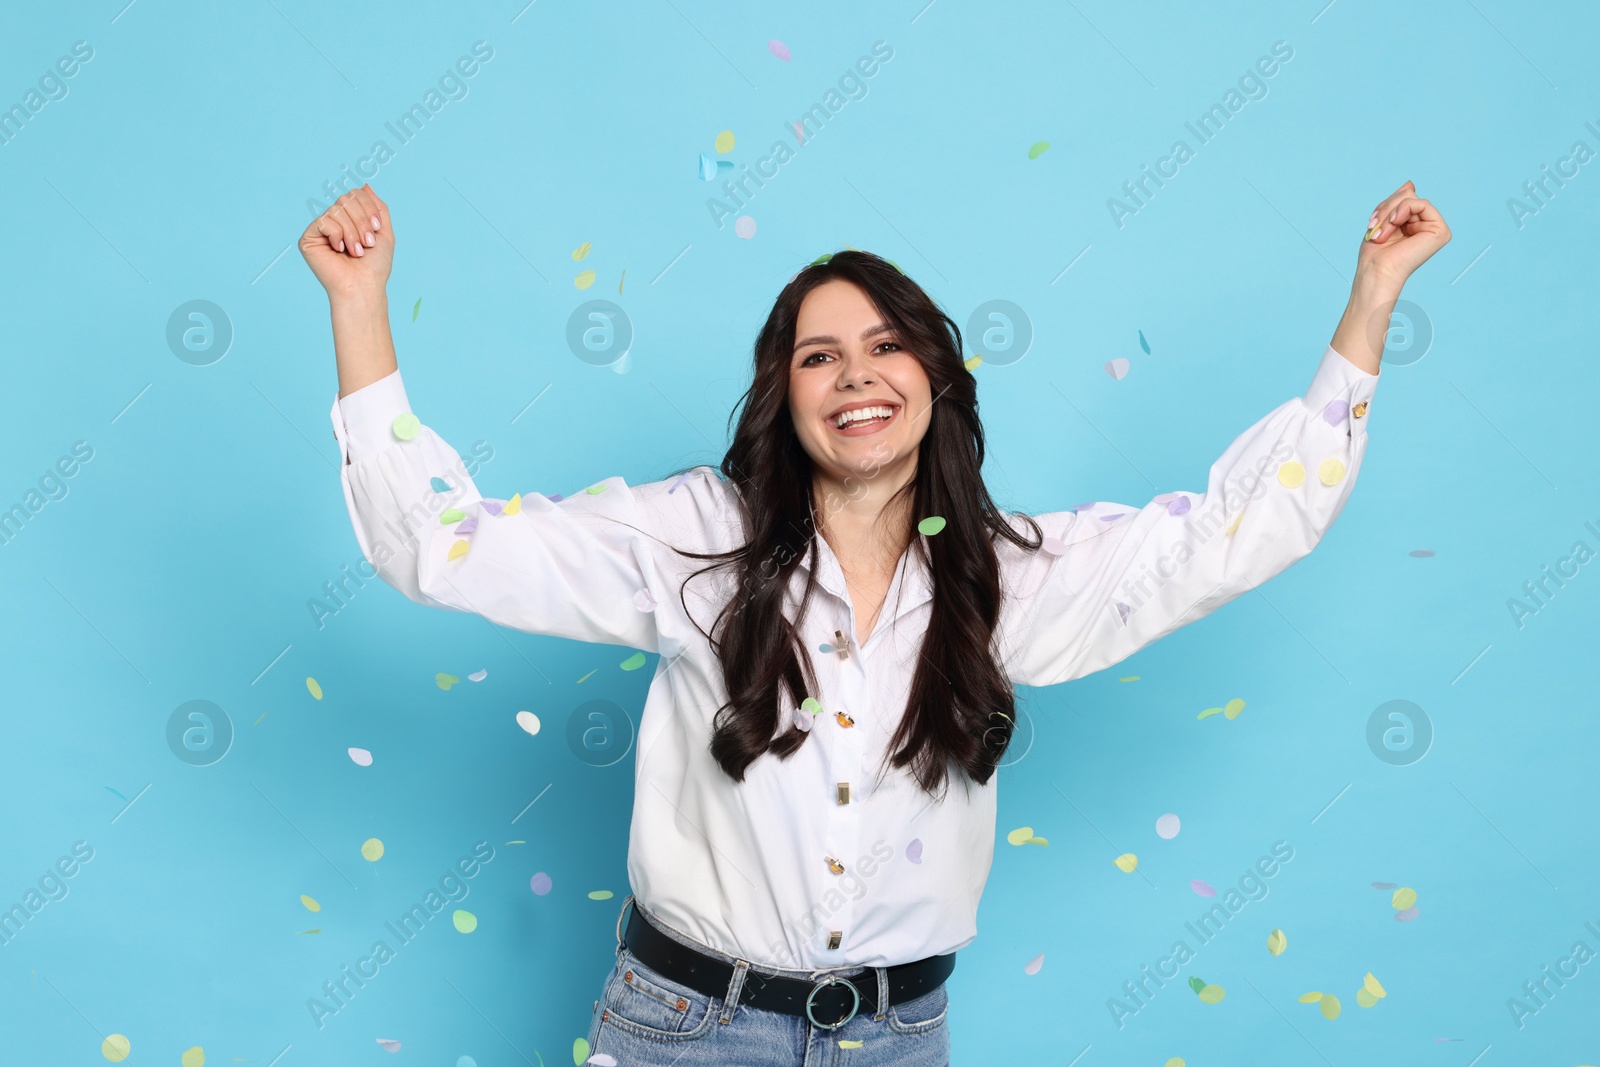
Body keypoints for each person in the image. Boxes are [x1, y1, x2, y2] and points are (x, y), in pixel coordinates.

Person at [300, 181, 1449, 1065]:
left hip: (897, 1035)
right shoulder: (694, 536)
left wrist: (1370, 301)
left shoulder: (1001, 574)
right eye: (819, 355)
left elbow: (1231, 531)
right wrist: (360, 308)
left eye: (886, 345)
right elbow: (440, 545)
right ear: (784, 396)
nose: (856, 374)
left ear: (936, 377)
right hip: (684, 1026)